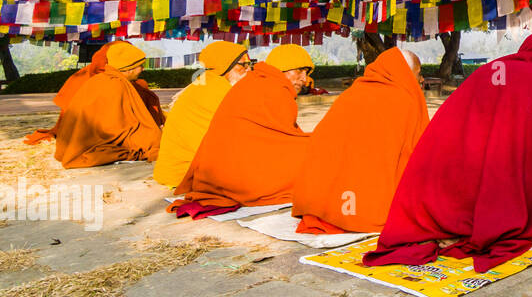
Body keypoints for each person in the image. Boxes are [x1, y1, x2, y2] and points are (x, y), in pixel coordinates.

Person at [363, 32, 532, 271]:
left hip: (470, 162)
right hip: (507, 162)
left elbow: (461, 113)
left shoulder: (496, 68)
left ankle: (462, 222)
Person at [292, 48, 428, 234]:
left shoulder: (351, 94)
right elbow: (419, 157)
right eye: (419, 73)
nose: (421, 80)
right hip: (370, 205)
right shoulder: (405, 100)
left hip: (321, 205)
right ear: (403, 71)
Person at [169, 43, 314, 214]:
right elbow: (280, 145)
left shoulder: (254, 82)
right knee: (319, 159)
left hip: (212, 174)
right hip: (228, 174)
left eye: (248, 65)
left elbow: (274, 137)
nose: (305, 79)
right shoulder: (271, 89)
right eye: (299, 71)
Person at [152, 42, 253, 189]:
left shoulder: (207, 82)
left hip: (174, 171)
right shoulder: (217, 90)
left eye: (250, 64)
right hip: (189, 173)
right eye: (243, 64)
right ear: (225, 65)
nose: (249, 69)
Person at [52, 41, 164, 169]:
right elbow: (115, 128)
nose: (143, 69)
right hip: (90, 143)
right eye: (140, 65)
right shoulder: (116, 84)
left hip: (71, 142)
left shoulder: (100, 79)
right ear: (128, 67)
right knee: (154, 140)